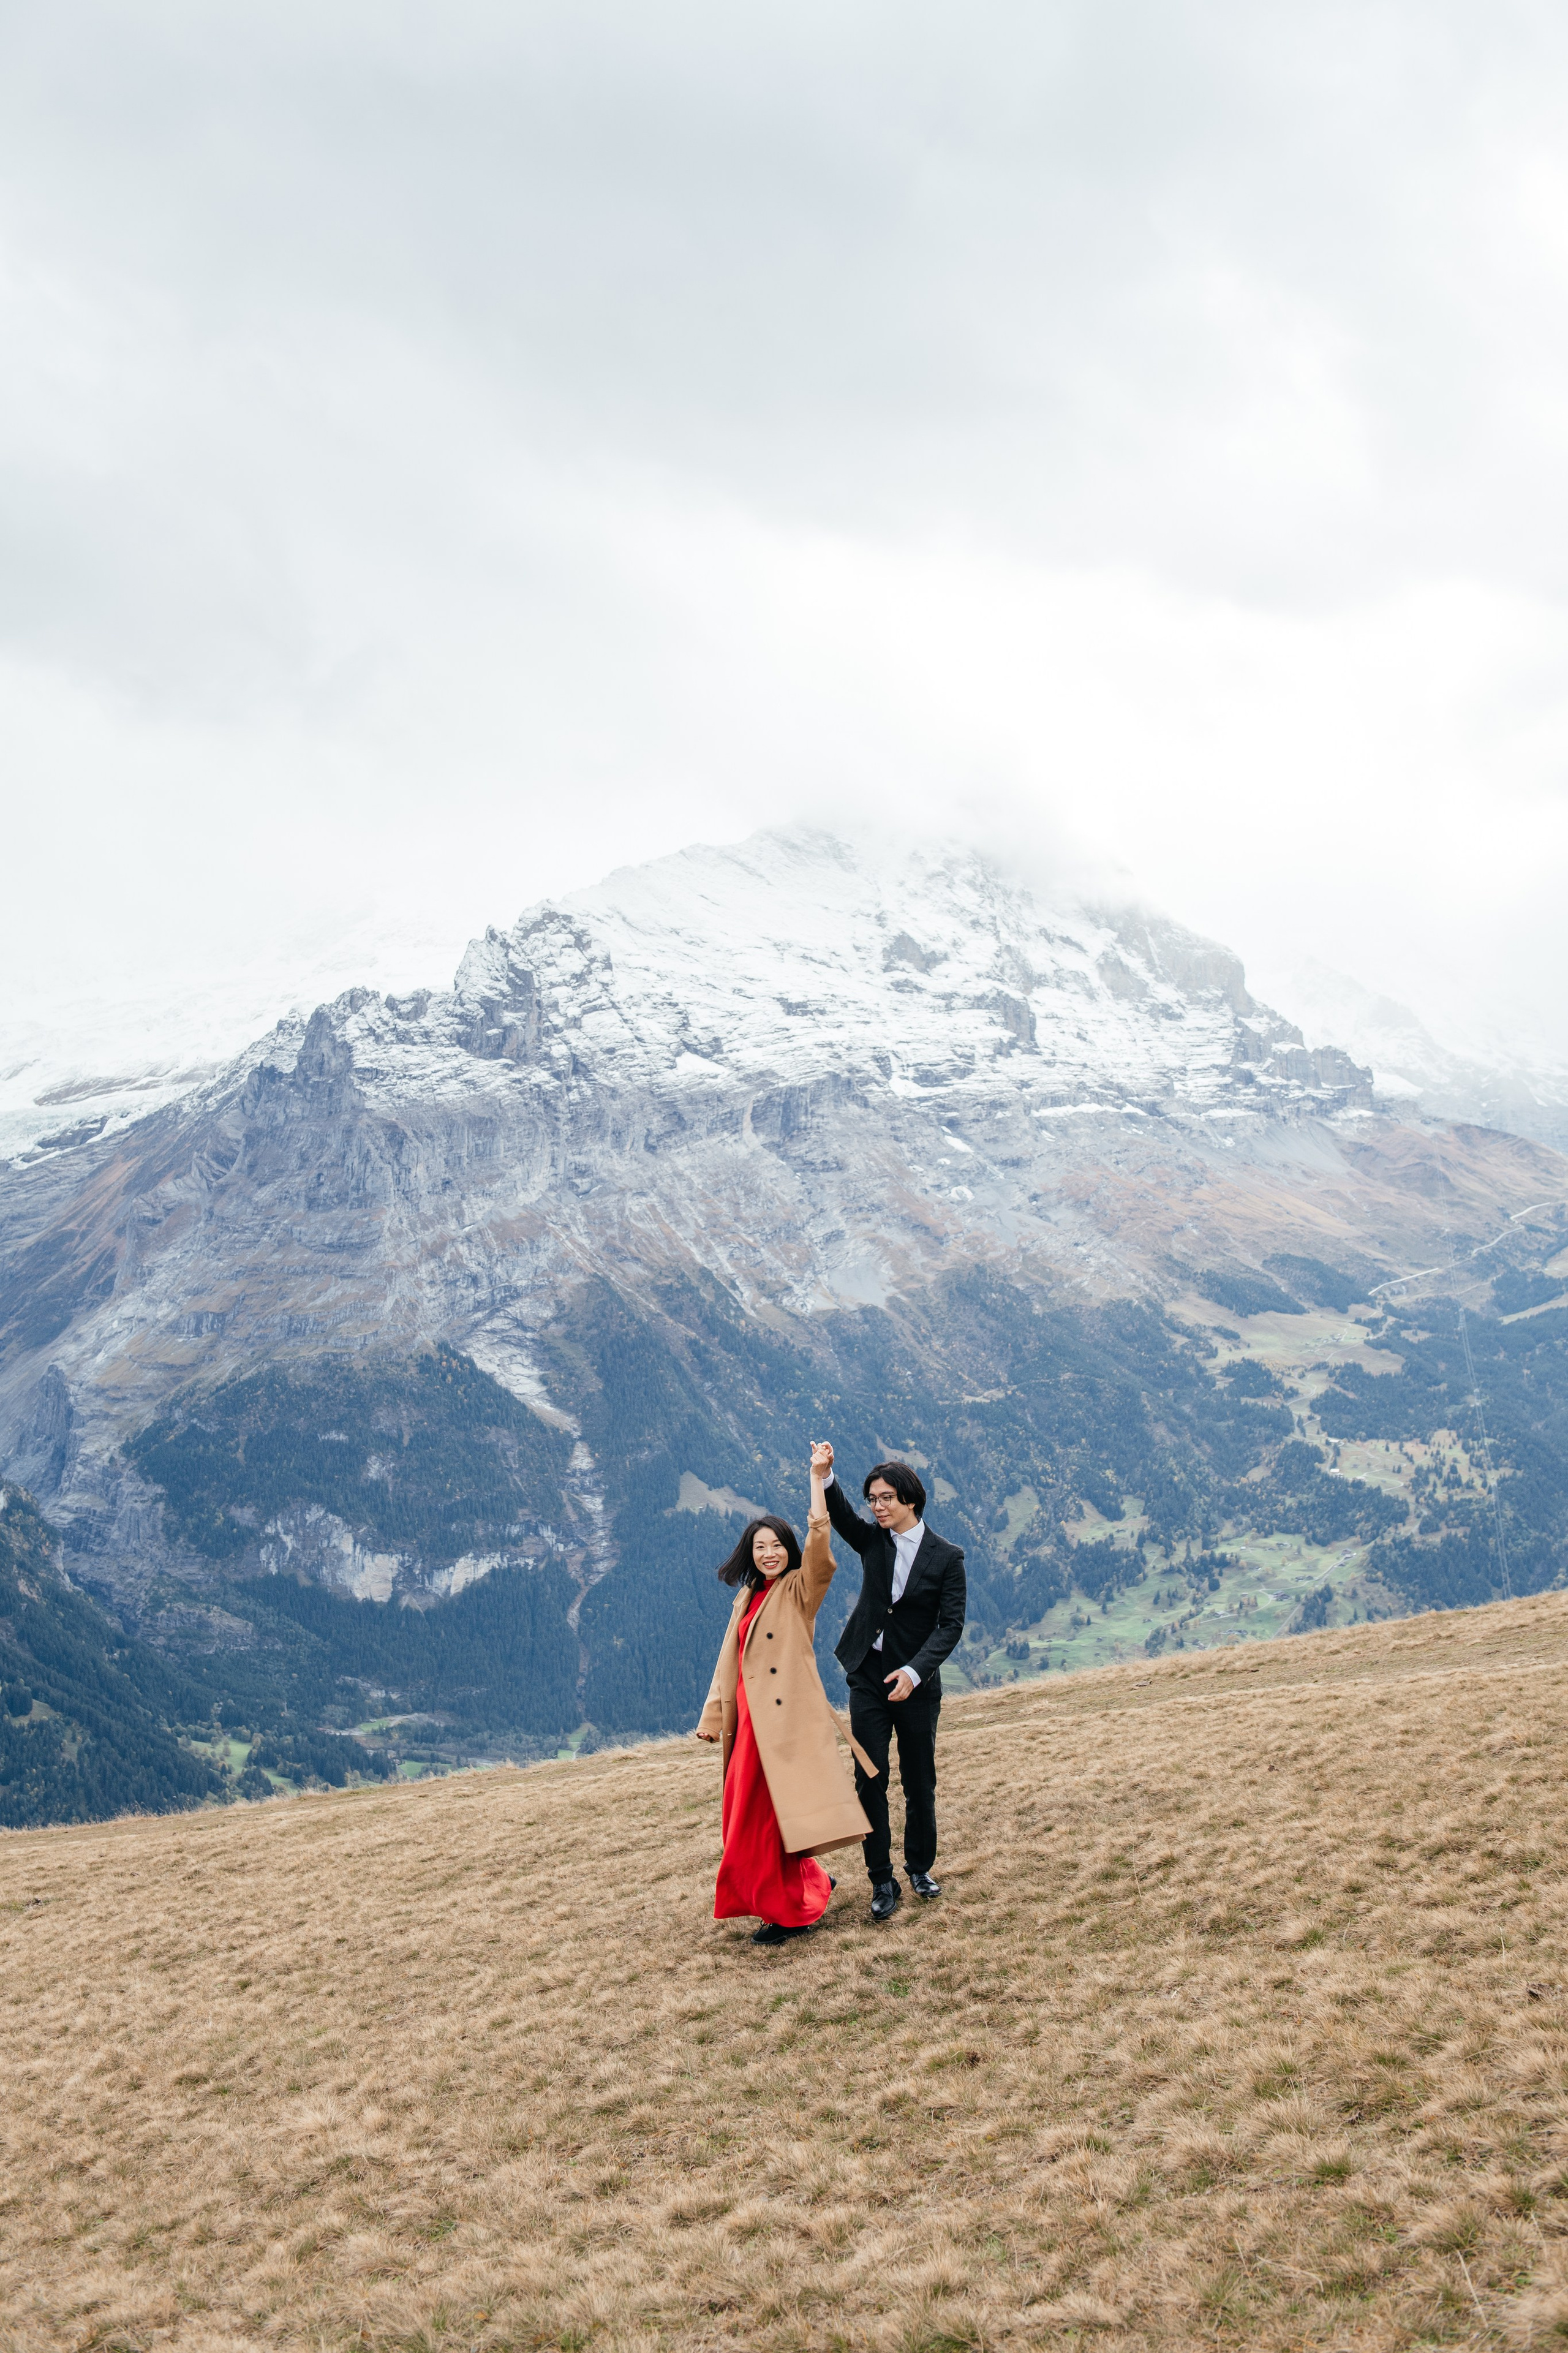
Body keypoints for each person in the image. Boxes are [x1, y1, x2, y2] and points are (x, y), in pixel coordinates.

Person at [696, 1442, 875, 1946]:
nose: (769, 1553)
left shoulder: (800, 1588)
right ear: (750, 1553)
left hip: (782, 1725)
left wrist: (818, 1478)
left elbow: (821, 1541)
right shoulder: (748, 1595)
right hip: (749, 1726)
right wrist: (713, 1717)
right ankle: (812, 1881)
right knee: (748, 1818)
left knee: (765, 1819)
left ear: (789, 1550)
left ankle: (793, 1911)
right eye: (760, 1547)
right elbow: (730, 1661)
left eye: (777, 1545)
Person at [820, 1447, 967, 1923]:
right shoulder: (873, 1541)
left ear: (911, 1499)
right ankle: (881, 1879)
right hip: (868, 1676)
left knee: (920, 1781)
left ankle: (920, 1868)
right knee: (870, 1777)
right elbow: (842, 1515)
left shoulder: (948, 1557)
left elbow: (950, 1625)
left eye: (886, 1498)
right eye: (873, 1498)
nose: (877, 1506)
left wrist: (915, 1671)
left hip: (917, 1684)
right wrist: (826, 1475)